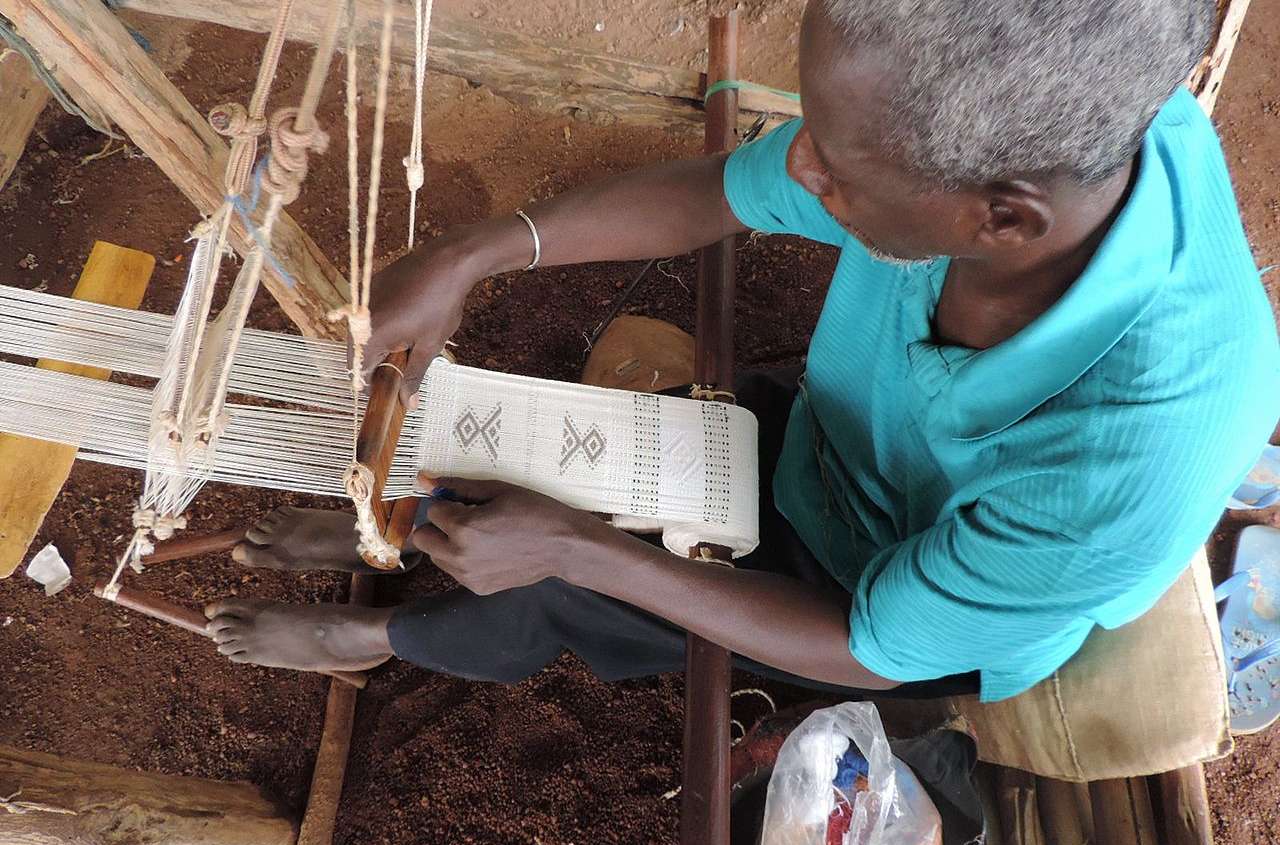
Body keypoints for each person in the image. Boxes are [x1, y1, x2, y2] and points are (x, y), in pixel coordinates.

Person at [203, 0, 1280, 704]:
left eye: (837, 162)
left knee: (549, 589)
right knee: (547, 458)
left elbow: (865, 643)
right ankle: (385, 532)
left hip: (877, 599)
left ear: (1000, 221)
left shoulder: (1118, 468)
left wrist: (582, 552)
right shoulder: (1032, 131)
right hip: (827, 439)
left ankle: (380, 643)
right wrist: (475, 252)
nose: (797, 162)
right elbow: (715, 194)